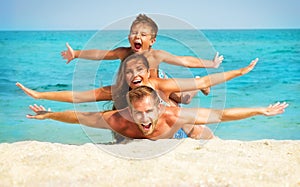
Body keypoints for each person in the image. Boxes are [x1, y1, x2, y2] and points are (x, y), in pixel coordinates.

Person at [17, 54, 258, 139]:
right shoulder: (117, 92)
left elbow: (205, 81)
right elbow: (78, 100)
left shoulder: (157, 82)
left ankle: (190, 96)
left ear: (148, 72)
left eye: (139, 71)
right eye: (129, 71)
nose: (134, 75)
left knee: (192, 122)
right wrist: (41, 96)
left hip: (166, 116)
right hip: (138, 122)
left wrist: (240, 71)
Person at [61, 14, 224, 102]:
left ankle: (198, 84)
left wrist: (210, 64)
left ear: (152, 41)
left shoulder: (156, 55)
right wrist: (76, 54)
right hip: (140, 86)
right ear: (128, 37)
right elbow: (100, 54)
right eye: (134, 33)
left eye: (143, 34)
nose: (137, 36)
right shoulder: (124, 52)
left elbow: (184, 60)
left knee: (184, 99)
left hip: (159, 81)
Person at [26, 86, 288, 140]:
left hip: (177, 136)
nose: (145, 118)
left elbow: (221, 114)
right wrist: (49, 115)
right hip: (133, 139)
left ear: (159, 107)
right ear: (129, 112)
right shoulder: (119, 120)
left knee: (198, 129)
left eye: (149, 111)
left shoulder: (171, 115)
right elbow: (79, 117)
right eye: (138, 113)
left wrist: (258, 110)